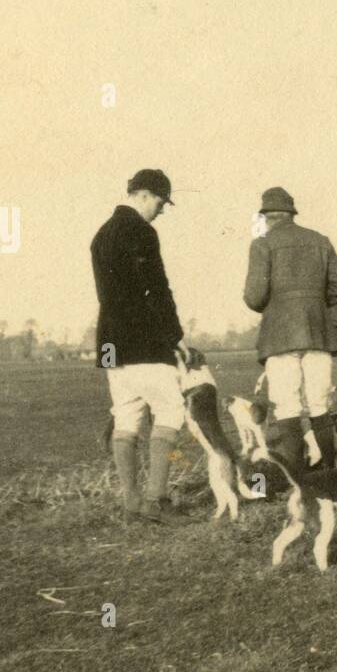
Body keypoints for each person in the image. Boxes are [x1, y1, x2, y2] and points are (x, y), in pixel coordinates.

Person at [90, 169, 190, 525]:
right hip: (143, 339)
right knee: (171, 410)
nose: (161, 210)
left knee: (127, 414)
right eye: (161, 202)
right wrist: (176, 337)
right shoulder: (142, 232)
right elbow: (157, 289)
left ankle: (131, 503)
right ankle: (156, 500)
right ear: (145, 195)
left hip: (110, 343)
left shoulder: (101, 234)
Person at [243, 187, 337, 472]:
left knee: (287, 407)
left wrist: (281, 305)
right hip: (318, 334)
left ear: (266, 217)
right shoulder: (320, 241)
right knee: (319, 406)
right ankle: (330, 473)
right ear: (291, 214)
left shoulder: (262, 244)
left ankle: (297, 480)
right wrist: (314, 302)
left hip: (279, 337)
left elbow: (254, 297)